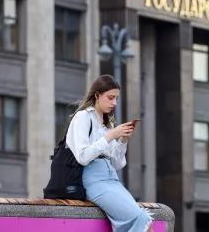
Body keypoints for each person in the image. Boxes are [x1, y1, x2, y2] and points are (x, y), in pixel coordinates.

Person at [66, 74, 154, 232]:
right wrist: (110, 136)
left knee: (142, 218)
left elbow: (117, 163)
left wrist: (122, 140)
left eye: (116, 98)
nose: (114, 103)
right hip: (92, 180)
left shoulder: (108, 123)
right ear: (97, 95)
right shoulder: (83, 117)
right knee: (139, 218)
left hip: (111, 178)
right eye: (110, 97)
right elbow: (83, 157)